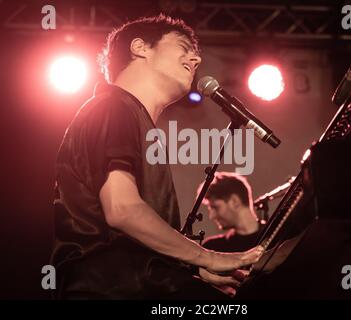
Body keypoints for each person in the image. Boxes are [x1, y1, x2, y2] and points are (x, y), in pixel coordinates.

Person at [50, 14, 262, 299]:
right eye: (183, 46)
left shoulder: (128, 117)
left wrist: (189, 268)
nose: (196, 59)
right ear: (140, 48)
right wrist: (208, 257)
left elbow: (130, 240)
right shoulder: (113, 106)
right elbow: (122, 209)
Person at [201, 172, 266, 252]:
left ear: (235, 201)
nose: (211, 216)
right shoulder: (212, 248)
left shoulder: (277, 237)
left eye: (215, 207)